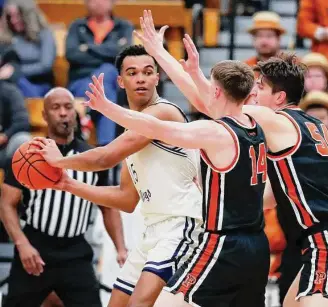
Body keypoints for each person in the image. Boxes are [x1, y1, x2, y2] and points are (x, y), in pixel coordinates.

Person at [137, 11, 328, 305]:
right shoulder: (312, 125)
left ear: (280, 98)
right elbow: (276, 194)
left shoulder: (274, 120)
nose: (253, 95)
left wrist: (160, 53)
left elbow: (209, 103)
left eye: (260, 89)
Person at [77, 15, 270, 305]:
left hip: (215, 236)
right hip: (252, 238)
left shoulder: (213, 129)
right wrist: (170, 59)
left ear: (217, 91)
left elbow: (154, 128)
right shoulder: (256, 123)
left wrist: (106, 107)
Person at [28, 44, 203, 307]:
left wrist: (61, 161)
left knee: (139, 304)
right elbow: (126, 199)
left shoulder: (164, 112)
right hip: (152, 231)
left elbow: (104, 157)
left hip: (182, 224)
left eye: (147, 72)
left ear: (158, 77)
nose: (141, 78)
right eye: (132, 73)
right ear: (120, 81)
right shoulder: (130, 134)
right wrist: (67, 183)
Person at [0, 87, 127, 307]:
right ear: (44, 114)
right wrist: (22, 244)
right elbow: (6, 203)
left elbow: (108, 208)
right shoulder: (26, 155)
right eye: (55, 107)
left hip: (75, 251)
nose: (62, 113)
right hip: (35, 247)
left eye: (68, 107)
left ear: (75, 113)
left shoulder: (92, 158)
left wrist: (121, 248)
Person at [65, 0, 133, 146]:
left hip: (115, 84)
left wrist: (88, 48)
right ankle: (106, 148)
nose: (98, 2)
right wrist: (108, 52)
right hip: (81, 81)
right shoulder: (76, 26)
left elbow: (124, 54)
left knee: (108, 73)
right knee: (106, 82)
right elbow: (71, 55)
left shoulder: (124, 26)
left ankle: (87, 117)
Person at [0, 0, 56, 97]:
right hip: (11, 83)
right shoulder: (8, 37)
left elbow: (45, 66)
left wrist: (16, 71)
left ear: (28, 15)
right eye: (10, 16)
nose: (13, 20)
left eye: (18, 15)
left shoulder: (44, 34)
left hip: (38, 84)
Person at [0, 81, 31, 169]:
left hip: (4, 148)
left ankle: (15, 181)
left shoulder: (9, 91)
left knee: (22, 139)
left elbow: (22, 121)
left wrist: (4, 136)